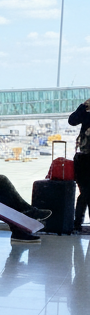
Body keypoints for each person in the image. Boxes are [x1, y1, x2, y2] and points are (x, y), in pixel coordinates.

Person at [70, 97, 90, 234]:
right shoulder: (86, 112)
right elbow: (72, 121)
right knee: (85, 193)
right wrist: (83, 106)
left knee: (86, 194)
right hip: (84, 158)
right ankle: (77, 224)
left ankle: (77, 224)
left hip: (85, 158)